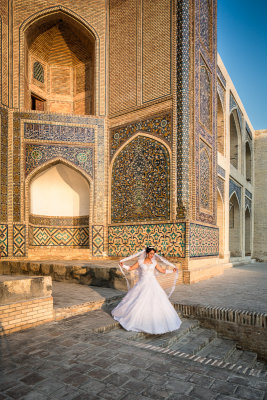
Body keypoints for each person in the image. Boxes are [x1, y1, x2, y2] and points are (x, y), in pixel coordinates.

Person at [111, 246, 182, 334]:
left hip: (153, 283)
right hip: (142, 283)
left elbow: (162, 270)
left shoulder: (154, 262)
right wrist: (123, 265)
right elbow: (131, 268)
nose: (152, 255)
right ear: (147, 253)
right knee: (138, 300)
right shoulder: (140, 261)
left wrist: (172, 271)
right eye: (151, 253)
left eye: (153, 254)